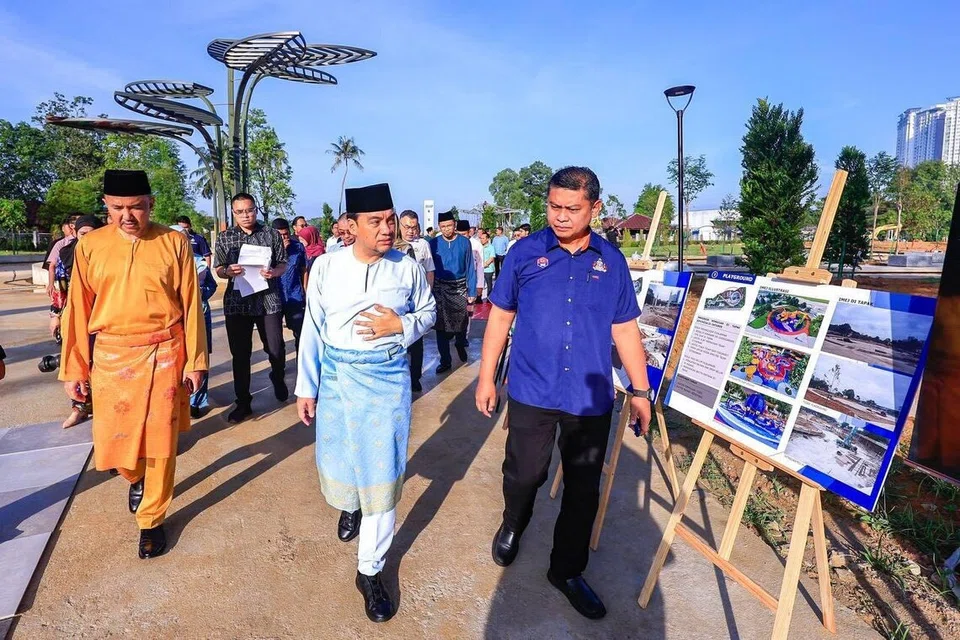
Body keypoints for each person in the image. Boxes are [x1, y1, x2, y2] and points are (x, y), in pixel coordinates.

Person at [476, 166, 653, 620]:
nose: (560, 216)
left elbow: (625, 328)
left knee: (582, 490)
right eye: (554, 206)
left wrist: (640, 389)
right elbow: (499, 317)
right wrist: (486, 377)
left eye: (571, 209)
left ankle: (567, 570)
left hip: (588, 396)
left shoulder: (610, 262)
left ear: (594, 208)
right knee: (525, 473)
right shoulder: (523, 253)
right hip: (532, 388)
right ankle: (514, 522)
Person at [295, 183, 436, 623]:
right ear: (350, 226)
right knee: (344, 459)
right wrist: (307, 385)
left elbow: (429, 311)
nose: (387, 228)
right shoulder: (325, 267)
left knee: (384, 466)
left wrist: (402, 323)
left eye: (390, 219)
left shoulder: (406, 268)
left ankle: (369, 569)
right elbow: (313, 329)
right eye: (376, 221)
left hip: (388, 378)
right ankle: (351, 506)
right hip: (338, 378)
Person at [59, 169, 207, 559]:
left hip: (164, 351)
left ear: (151, 204)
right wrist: (74, 367)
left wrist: (196, 361)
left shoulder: (173, 242)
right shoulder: (90, 248)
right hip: (110, 355)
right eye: (118, 208)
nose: (127, 216)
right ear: (106, 207)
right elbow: (77, 310)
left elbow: (192, 305)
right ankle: (134, 475)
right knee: (112, 442)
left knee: (160, 443)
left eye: (136, 207)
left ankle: (152, 519)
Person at [214, 193, 289, 424]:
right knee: (241, 354)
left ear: (256, 210)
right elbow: (218, 268)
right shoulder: (225, 238)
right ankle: (243, 401)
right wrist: (228, 272)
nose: (246, 215)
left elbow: (283, 263)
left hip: (268, 300)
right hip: (238, 304)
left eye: (250, 210)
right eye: (240, 212)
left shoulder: (271, 234)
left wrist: (274, 272)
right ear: (233, 213)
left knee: (275, 348)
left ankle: (277, 376)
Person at [50, 214, 104, 428]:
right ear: (75, 233)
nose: (87, 238)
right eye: (83, 234)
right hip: (74, 318)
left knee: (99, 366)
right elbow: (59, 288)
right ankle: (79, 408)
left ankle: (105, 411)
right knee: (76, 364)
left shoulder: (107, 255)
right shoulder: (66, 255)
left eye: (92, 234)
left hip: (102, 319)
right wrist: (55, 315)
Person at [172, 225, 217, 418]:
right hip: (173, 320)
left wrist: (201, 294)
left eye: (185, 239)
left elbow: (211, 286)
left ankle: (196, 401)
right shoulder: (163, 263)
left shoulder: (199, 262)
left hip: (200, 315)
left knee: (199, 357)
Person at [429, 212, 478, 374]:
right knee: (441, 326)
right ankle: (445, 360)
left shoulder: (464, 242)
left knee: (461, 320)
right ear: (439, 227)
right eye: (443, 226)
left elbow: (470, 266)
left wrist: (472, 290)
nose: (446, 229)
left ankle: (460, 341)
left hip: (459, 287)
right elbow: (430, 269)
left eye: (449, 225)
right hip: (440, 287)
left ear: (455, 225)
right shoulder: (434, 243)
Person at [397, 210, 436, 392]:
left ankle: (415, 377)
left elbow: (429, 270)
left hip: (417, 299)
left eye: (414, 227)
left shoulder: (423, 245)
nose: (411, 231)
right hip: (398, 299)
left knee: (417, 339)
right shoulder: (393, 245)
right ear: (399, 226)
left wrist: (427, 293)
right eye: (407, 227)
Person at [272, 218, 308, 356]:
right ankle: (278, 368)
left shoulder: (298, 247)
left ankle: (301, 363)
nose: (284, 237)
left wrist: (305, 290)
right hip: (275, 297)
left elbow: (304, 269)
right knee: (275, 338)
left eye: (286, 234)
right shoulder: (267, 249)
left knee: (299, 332)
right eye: (280, 235)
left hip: (295, 294)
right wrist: (280, 251)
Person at [45, 215, 78, 299]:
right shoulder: (61, 244)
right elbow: (52, 265)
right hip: (67, 282)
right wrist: (51, 284)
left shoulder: (87, 241)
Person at [461, 220, 486, 302]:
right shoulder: (455, 243)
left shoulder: (476, 244)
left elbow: (480, 265)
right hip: (458, 279)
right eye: (459, 234)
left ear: (469, 232)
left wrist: (480, 285)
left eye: (464, 234)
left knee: (470, 304)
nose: (462, 237)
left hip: (472, 277)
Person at [480, 230, 496, 301]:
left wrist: (485, 264)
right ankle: (478, 297)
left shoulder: (491, 247)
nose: (481, 240)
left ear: (487, 239)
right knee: (480, 284)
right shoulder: (480, 247)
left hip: (488, 269)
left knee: (489, 284)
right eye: (481, 238)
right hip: (480, 269)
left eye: (483, 238)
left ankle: (489, 297)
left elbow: (492, 258)